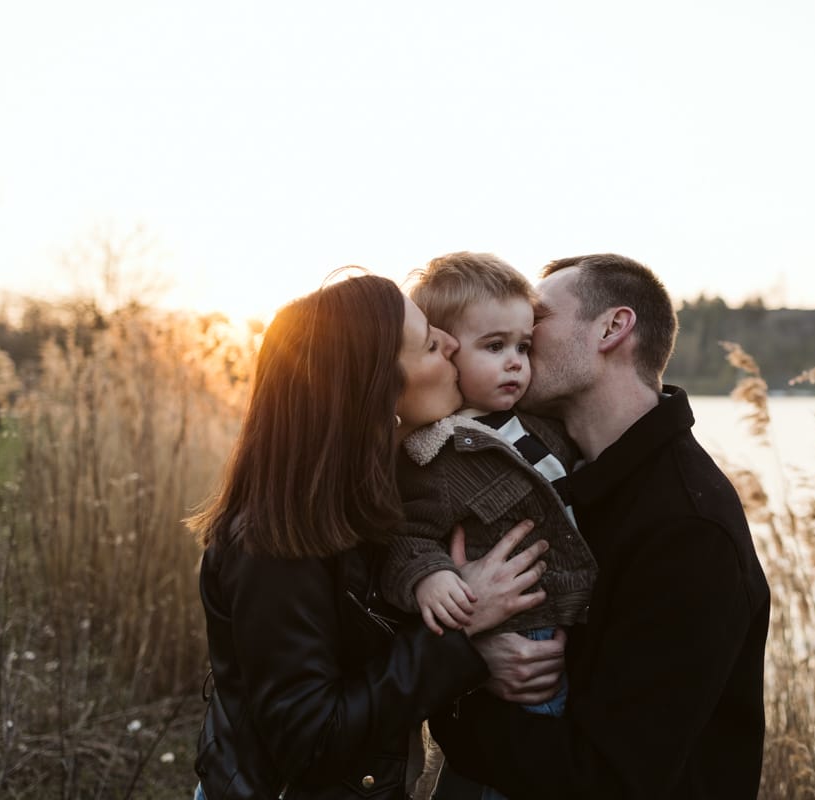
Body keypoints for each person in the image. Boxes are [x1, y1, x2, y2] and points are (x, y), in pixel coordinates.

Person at [188, 272, 557, 800]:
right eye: (431, 342)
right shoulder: (275, 543)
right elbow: (308, 740)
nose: (452, 343)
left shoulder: (384, 503)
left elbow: (380, 672)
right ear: (380, 392)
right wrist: (465, 634)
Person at [430, 254, 771, 799]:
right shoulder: (544, 472)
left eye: (537, 320)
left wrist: (452, 698)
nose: (522, 333)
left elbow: (609, 778)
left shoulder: (687, 527)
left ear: (612, 328)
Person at [381, 253, 598, 799]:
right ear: (446, 352)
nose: (515, 363)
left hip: (571, 638)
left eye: (523, 347)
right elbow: (406, 537)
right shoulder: (439, 453)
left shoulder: (543, 426)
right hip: (513, 637)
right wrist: (431, 578)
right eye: (495, 347)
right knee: (494, 778)